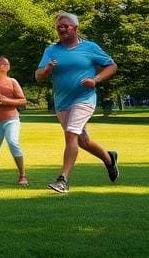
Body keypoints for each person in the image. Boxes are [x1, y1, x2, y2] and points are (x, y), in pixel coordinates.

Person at [35, 12, 119, 193]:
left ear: (76, 28)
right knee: (82, 141)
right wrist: (48, 68)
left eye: (66, 26)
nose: (62, 29)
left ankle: (63, 179)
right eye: (59, 27)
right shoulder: (51, 50)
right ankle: (109, 159)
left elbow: (111, 66)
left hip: (85, 99)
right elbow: (38, 76)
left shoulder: (90, 47)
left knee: (71, 135)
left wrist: (96, 79)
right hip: (62, 102)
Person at [0, 56, 29, 185]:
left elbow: (23, 101)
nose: (6, 65)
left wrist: (7, 101)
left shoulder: (13, 82)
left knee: (13, 142)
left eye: (7, 64)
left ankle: (22, 176)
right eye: (3, 64)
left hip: (11, 119)